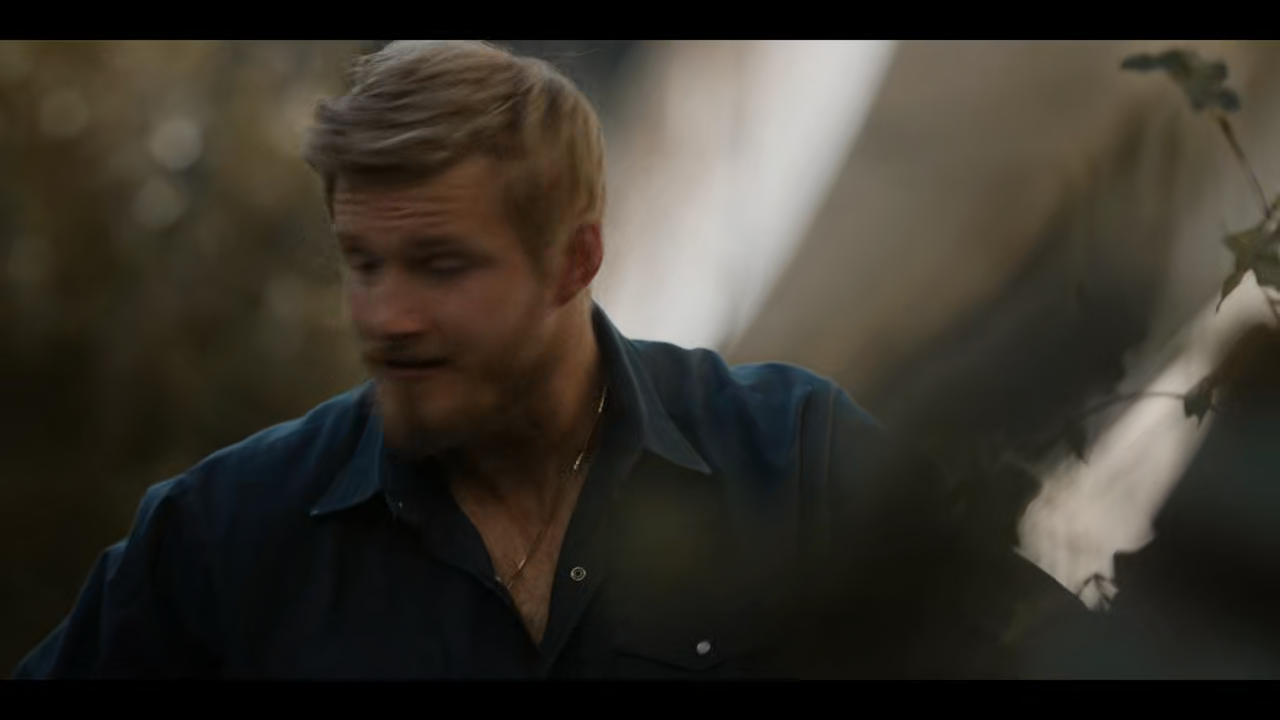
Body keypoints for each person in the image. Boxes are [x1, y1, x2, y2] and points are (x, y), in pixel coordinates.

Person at [13, 40, 1089, 679]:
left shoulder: (789, 453)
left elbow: (1053, 657)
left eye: (440, 266)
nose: (386, 318)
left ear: (575, 259)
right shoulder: (226, 535)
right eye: (362, 263)